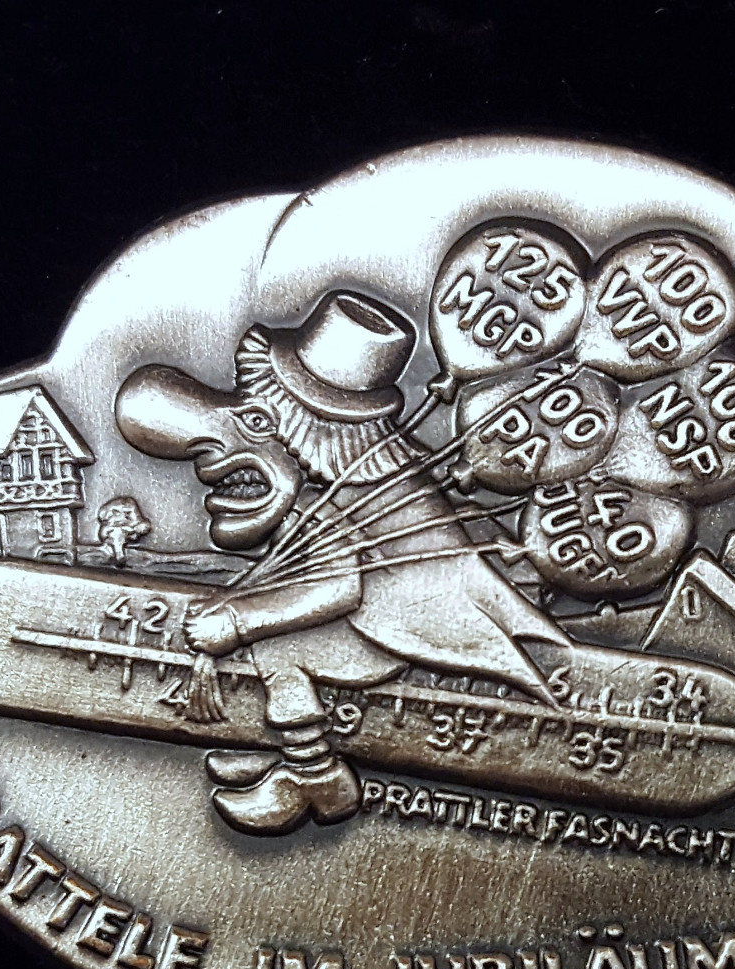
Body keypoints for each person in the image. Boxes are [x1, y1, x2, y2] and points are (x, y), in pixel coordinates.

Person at [114, 291, 567, 835]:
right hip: (386, 616)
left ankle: (314, 775)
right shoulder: (354, 483)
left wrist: (238, 620)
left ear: (296, 427)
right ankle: (293, 760)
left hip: (392, 629)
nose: (208, 473)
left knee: (280, 649)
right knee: (277, 647)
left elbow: (339, 587)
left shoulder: (345, 502)